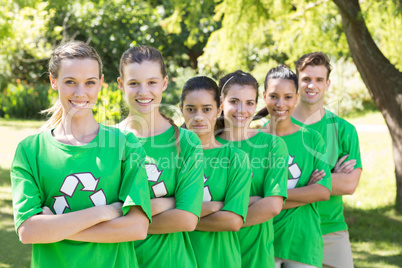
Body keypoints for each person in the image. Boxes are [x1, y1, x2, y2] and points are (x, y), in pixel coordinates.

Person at [10, 41, 151, 268]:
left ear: (101, 83)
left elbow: (137, 227)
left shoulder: (126, 145)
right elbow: (28, 231)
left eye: (90, 83)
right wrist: (104, 212)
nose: (80, 92)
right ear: (53, 82)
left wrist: (54, 227)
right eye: (70, 82)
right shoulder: (30, 151)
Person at [116, 45, 204, 268]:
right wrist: (168, 203)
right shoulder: (108, 141)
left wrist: (124, 220)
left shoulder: (187, 142)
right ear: (121, 85)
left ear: (164, 83)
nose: (143, 92)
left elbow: (187, 219)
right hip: (119, 261)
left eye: (152, 82)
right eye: (134, 83)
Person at [292, 52, 362, 268]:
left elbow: (350, 185)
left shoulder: (344, 130)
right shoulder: (278, 128)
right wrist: (332, 178)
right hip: (292, 229)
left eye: (318, 80)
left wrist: (306, 185)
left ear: (327, 83)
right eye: (306, 79)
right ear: (296, 82)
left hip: (331, 229)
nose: (312, 86)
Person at [260, 65, 331, 268]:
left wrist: (270, 199)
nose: (280, 103)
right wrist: (304, 192)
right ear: (264, 96)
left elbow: (323, 191)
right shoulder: (253, 141)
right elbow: (247, 200)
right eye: (274, 96)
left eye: (288, 97)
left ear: (297, 97)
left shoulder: (311, 139)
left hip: (303, 242)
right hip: (263, 242)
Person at [215, 70, 288, 268]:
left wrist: (224, 219)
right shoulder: (204, 146)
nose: (242, 110)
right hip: (210, 254)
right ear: (221, 103)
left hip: (256, 257)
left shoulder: (272, 145)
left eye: (249, 103)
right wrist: (251, 202)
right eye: (234, 101)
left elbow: (272, 205)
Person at [180, 76, 252, 267]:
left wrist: (179, 217)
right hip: (175, 259)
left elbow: (233, 221)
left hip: (221, 261)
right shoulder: (171, 157)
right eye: (190, 109)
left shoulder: (236, 159)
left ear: (219, 109)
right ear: (181, 110)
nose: (198, 117)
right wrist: (213, 207)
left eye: (206, 109)